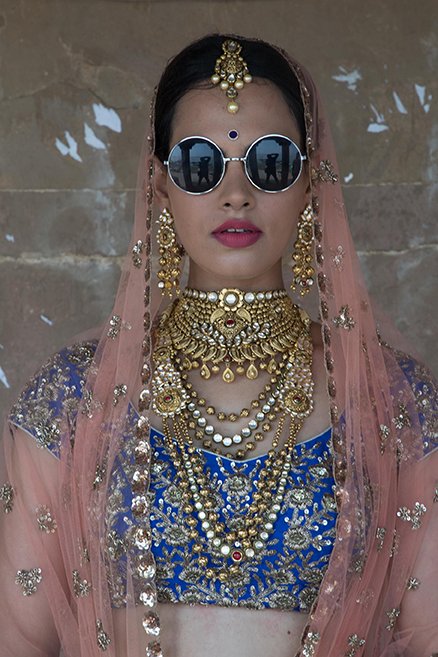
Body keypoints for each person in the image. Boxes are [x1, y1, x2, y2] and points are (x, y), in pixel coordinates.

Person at [0, 34, 436, 657]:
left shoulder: (395, 403)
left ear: (309, 183)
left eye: (270, 163)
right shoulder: (73, 399)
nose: (236, 193)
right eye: (200, 164)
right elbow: (18, 640)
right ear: (160, 184)